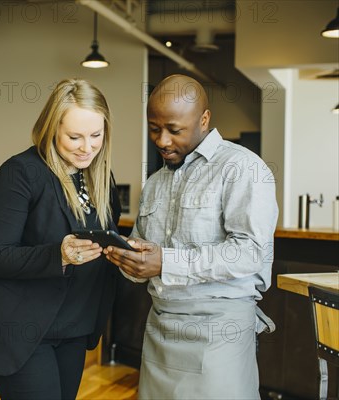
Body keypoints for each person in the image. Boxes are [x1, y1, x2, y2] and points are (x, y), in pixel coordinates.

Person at [104, 74, 278, 399]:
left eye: (174, 130)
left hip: (219, 331)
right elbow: (145, 253)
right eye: (154, 129)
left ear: (204, 120)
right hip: (160, 327)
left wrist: (165, 262)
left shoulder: (242, 169)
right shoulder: (155, 182)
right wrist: (125, 258)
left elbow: (250, 252)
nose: (162, 141)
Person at [0, 78, 122, 400]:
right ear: (51, 128)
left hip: (75, 326)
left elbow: (105, 242)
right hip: (23, 331)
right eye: (74, 136)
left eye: (96, 135)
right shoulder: (20, 173)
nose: (86, 146)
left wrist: (127, 251)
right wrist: (58, 255)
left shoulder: (101, 178)